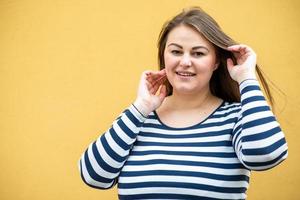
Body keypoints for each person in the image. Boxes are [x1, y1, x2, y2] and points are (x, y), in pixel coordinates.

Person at [78, 7, 288, 200]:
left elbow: (267, 154)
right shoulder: (138, 119)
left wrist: (246, 78)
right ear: (164, 56)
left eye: (198, 53)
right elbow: (93, 175)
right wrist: (140, 108)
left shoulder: (236, 118)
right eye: (176, 51)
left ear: (216, 62)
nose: (185, 61)